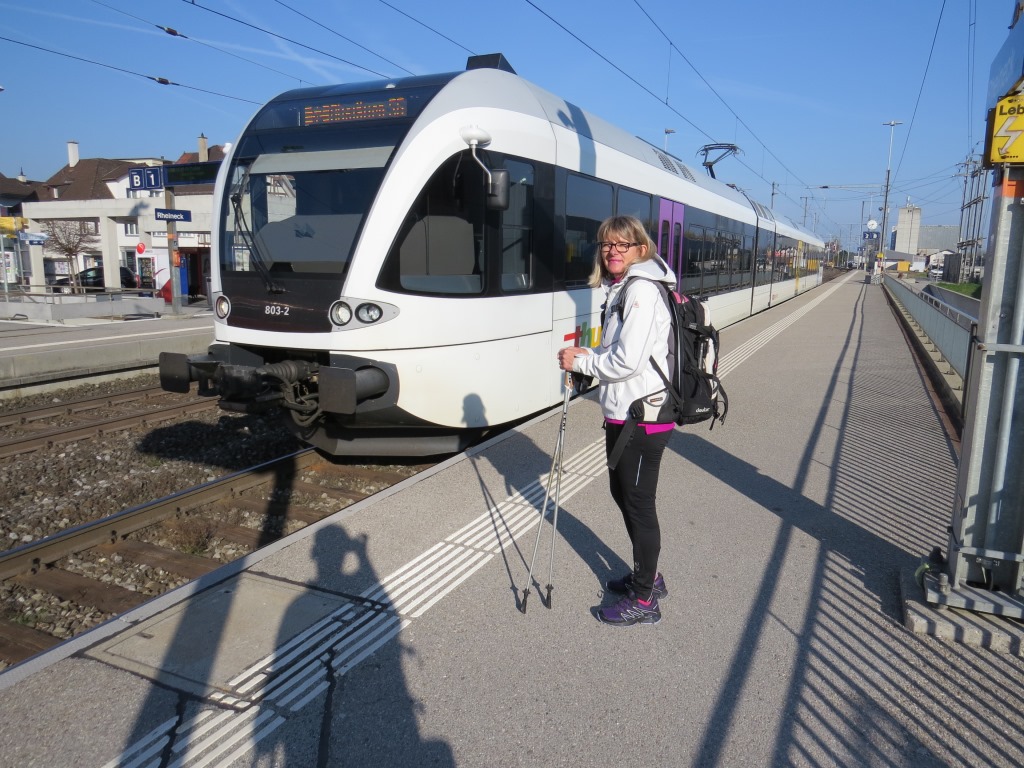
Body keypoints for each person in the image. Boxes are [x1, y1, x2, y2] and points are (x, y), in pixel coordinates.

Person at [557, 215, 676, 627]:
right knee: (623, 495)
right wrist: (588, 357)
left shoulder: (641, 290)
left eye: (622, 244)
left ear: (641, 249)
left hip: (643, 416)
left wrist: (582, 362)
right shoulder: (623, 288)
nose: (612, 251)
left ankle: (644, 600)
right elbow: (618, 350)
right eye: (607, 244)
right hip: (625, 413)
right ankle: (649, 577)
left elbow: (628, 362)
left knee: (638, 505)